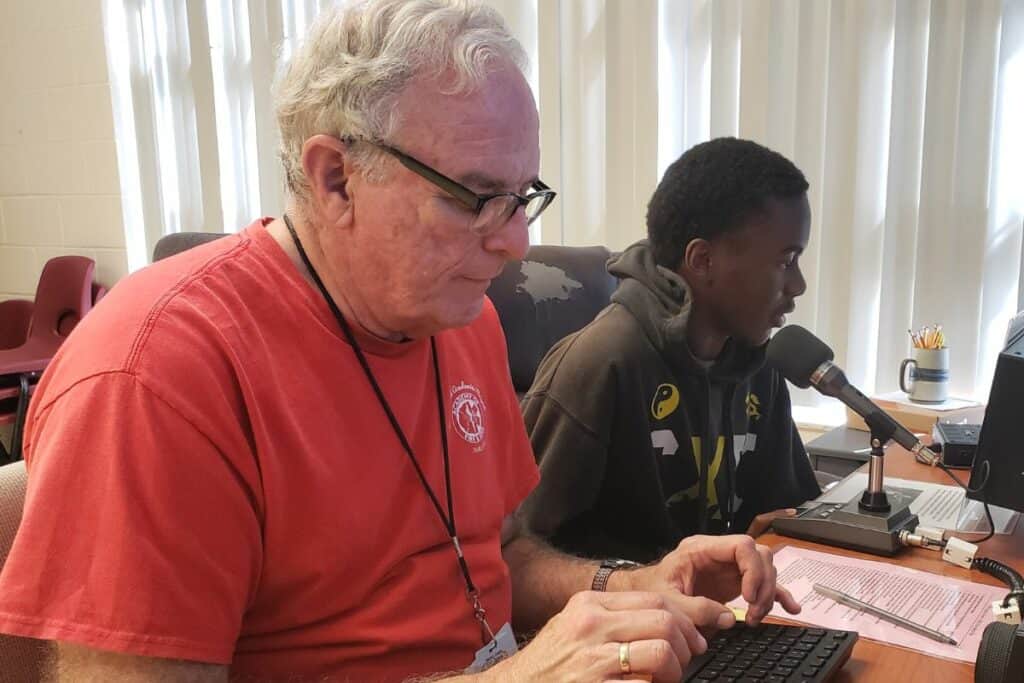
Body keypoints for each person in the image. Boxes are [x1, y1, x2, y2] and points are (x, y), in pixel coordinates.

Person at [0, 4, 798, 682]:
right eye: (480, 197)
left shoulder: (465, 319)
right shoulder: (162, 373)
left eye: (523, 196)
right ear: (335, 178)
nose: (517, 242)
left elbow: (497, 553)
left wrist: (627, 583)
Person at [520, 137, 822, 564]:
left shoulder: (759, 366)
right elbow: (518, 560)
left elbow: (787, 515)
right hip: (625, 621)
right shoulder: (600, 365)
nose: (798, 286)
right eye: (784, 261)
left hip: (727, 613)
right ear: (702, 261)